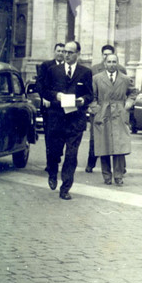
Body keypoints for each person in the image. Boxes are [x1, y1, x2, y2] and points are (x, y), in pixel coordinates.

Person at [41, 41, 93, 200]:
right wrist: (56, 95)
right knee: (54, 152)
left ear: (78, 53)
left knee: (71, 155)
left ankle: (65, 188)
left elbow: (90, 95)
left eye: (70, 52)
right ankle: (52, 171)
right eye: (65, 52)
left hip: (75, 120)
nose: (67, 55)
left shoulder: (85, 72)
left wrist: (83, 101)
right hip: (56, 118)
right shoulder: (53, 71)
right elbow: (43, 90)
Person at [89, 54, 137, 186]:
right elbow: (91, 96)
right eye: (109, 62)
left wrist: (128, 103)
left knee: (119, 146)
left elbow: (133, 92)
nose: (111, 64)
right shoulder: (97, 79)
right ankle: (106, 176)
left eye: (114, 62)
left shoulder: (125, 79)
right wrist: (96, 109)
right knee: (103, 146)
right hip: (103, 113)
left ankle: (118, 175)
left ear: (117, 63)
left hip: (119, 113)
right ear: (104, 63)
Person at [88, 45, 127, 172]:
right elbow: (91, 93)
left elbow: (128, 89)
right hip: (101, 111)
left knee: (118, 141)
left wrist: (126, 106)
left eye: (111, 56)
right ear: (103, 57)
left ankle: (120, 170)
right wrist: (95, 109)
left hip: (117, 112)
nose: (109, 61)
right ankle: (91, 163)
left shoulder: (121, 71)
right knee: (98, 140)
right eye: (105, 55)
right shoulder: (94, 70)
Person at [35, 43, 66, 168]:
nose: (60, 53)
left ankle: (57, 155)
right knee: (50, 135)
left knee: (62, 135)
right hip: (49, 106)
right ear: (54, 51)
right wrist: (44, 97)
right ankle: (50, 163)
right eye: (58, 51)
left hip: (63, 106)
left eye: (63, 51)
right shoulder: (46, 66)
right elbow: (40, 84)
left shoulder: (67, 67)